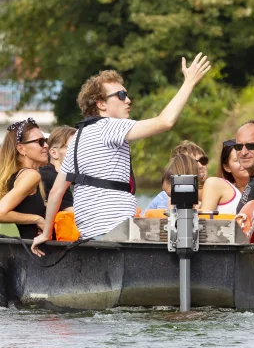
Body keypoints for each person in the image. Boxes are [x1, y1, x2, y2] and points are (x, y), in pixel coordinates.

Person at [31, 53, 211, 255]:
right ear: (101, 104)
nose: (129, 100)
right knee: (181, 237)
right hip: (117, 232)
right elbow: (165, 122)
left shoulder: (77, 139)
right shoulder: (110, 126)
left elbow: (56, 192)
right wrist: (189, 82)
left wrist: (46, 233)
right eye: (121, 96)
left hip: (90, 235)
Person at [0, 118, 51, 239]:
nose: (46, 145)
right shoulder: (31, 176)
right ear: (21, 148)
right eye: (40, 141)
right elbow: (1, 212)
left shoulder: (17, 175)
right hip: (39, 254)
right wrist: (37, 219)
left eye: (46, 141)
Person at [200, 140, 245, 215]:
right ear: (227, 167)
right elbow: (204, 221)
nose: (244, 163)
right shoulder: (216, 184)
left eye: (246, 158)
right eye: (237, 160)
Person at [39, 125, 75, 211]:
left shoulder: (49, 173)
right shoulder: (52, 178)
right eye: (73, 147)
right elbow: (76, 214)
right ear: (54, 153)